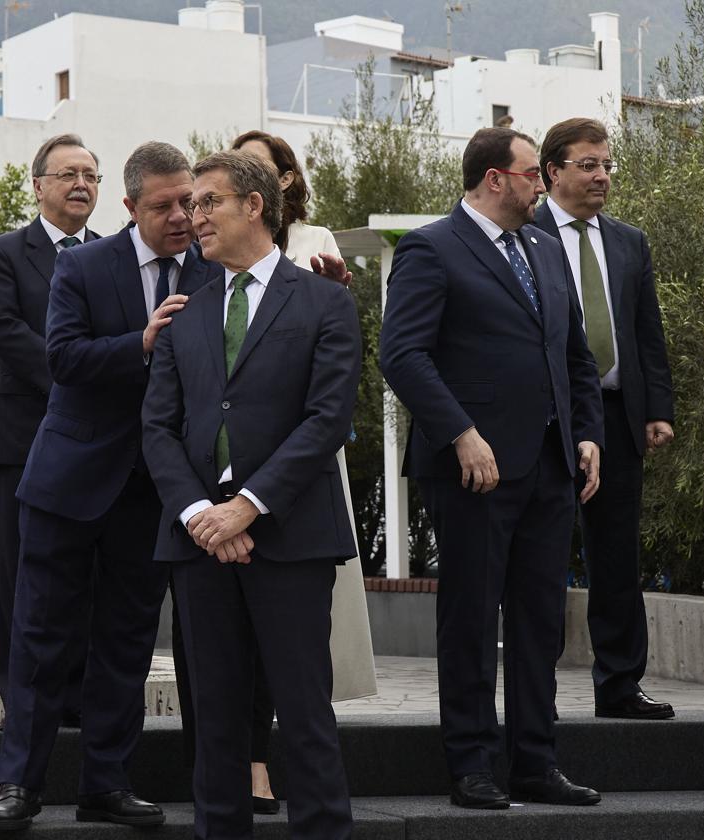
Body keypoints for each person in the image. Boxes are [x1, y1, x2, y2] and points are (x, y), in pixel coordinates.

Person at [0, 141, 223, 832]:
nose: (181, 216)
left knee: (126, 642)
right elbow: (60, 358)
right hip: (69, 483)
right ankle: (17, 786)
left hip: (152, 491)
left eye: (190, 201)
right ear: (131, 207)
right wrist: (141, 343)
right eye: (165, 205)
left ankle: (107, 784)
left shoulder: (213, 274)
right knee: (41, 640)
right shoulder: (86, 266)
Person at [379, 127, 605, 809]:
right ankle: (472, 764)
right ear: (496, 178)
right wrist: (460, 435)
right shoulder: (431, 247)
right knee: (472, 619)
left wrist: (588, 434)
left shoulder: (543, 246)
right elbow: (403, 355)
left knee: (541, 621)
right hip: (474, 470)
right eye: (534, 173)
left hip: (550, 465)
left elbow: (574, 354)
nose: (544, 185)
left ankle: (535, 761)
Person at [143, 149, 361, 840]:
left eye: (207, 202)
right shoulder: (183, 314)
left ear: (254, 206)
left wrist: (250, 505)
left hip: (292, 539)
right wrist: (203, 514)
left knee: (304, 716)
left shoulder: (325, 301)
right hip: (200, 544)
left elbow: (327, 419)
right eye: (188, 206)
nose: (191, 217)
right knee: (215, 722)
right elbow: (157, 428)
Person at [229, 129, 376, 813]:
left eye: (267, 166)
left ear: (285, 181)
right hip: (228, 478)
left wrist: (338, 293)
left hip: (306, 466)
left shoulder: (317, 240)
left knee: (302, 640)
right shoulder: (215, 255)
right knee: (240, 640)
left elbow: (340, 359)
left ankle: (310, 777)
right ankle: (252, 764)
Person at [534, 117, 677, 720]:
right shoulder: (523, 234)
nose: (601, 176)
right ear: (552, 172)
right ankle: (532, 694)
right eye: (588, 164)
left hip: (618, 417)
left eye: (606, 164)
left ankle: (619, 686)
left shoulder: (629, 241)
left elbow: (647, 332)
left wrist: (657, 410)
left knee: (617, 555)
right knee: (537, 553)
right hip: (546, 419)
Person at [0, 134, 101, 728]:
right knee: (26, 576)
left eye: (92, 175)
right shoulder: (4, 253)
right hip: (29, 441)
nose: (82, 184)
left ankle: (77, 699)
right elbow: (7, 332)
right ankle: (22, 704)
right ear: (38, 185)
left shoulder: (113, 254)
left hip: (102, 444)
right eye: (70, 173)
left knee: (89, 575)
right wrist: (77, 380)